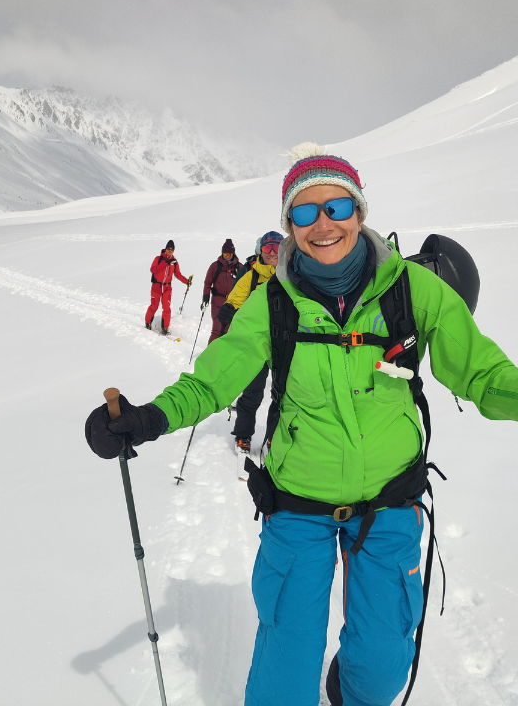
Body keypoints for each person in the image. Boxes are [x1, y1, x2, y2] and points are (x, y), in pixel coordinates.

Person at [85, 143, 518, 706]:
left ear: (359, 212)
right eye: (305, 211)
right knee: (285, 674)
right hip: (298, 507)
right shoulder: (273, 302)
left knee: (382, 668)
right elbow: (213, 381)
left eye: (337, 207)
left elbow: (481, 373)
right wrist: (147, 418)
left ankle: (350, 688)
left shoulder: (414, 290)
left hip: (391, 502)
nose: (323, 224)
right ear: (289, 224)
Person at [217, 231, 283, 453]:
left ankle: (275, 438)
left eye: (276, 247)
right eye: (267, 248)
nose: (272, 252)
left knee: (285, 394)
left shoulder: (291, 273)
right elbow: (236, 297)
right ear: (260, 251)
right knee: (253, 392)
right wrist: (229, 308)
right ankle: (243, 435)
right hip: (257, 343)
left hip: (285, 343)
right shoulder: (251, 276)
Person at [144, 240, 192, 336]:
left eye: (172, 250)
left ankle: (165, 328)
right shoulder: (158, 259)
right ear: (165, 249)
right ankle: (148, 322)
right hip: (156, 286)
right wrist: (165, 263)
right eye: (168, 249)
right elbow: (153, 269)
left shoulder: (174, 262)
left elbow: (178, 274)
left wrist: (187, 281)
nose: (170, 251)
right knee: (154, 306)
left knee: (166, 308)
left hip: (167, 287)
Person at [201, 239, 242, 344]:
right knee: (217, 330)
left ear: (233, 254)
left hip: (233, 303)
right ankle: (211, 353)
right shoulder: (215, 266)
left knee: (228, 331)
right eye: (225, 254)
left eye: (229, 254)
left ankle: (223, 352)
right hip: (217, 302)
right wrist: (205, 299)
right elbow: (207, 284)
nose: (227, 256)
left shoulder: (239, 268)